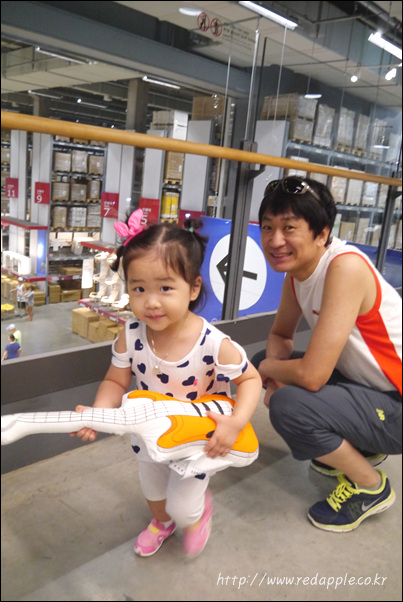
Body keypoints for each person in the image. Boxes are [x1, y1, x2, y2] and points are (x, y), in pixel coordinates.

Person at [71, 209, 262, 558]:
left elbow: (250, 378)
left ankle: (196, 514)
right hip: (148, 433)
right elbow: (115, 380)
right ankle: (161, 523)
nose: (151, 301)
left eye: (165, 288)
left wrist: (236, 422)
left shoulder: (212, 342)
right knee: (154, 493)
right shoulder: (130, 335)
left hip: (196, 440)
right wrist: (99, 412)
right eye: (139, 288)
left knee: (183, 506)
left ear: (193, 288)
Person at [254, 175, 402, 533]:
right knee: (264, 364)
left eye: (289, 228)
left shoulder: (345, 267)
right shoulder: (297, 274)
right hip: (370, 386)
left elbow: (312, 376)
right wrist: (271, 374)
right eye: (268, 227)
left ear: (321, 234)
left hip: (396, 402)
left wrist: (271, 372)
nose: (275, 240)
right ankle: (358, 446)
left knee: (289, 404)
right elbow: (280, 334)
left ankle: (370, 487)